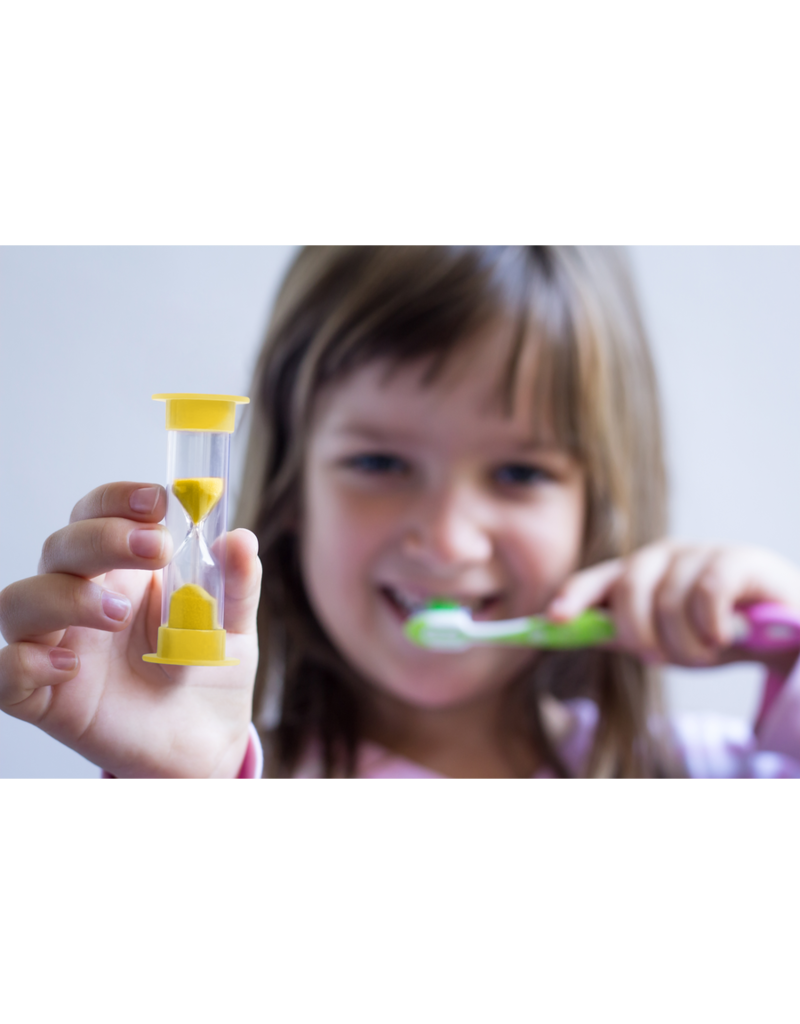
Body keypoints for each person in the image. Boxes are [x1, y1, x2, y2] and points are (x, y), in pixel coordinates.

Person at [1, 245, 799, 779]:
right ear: (290, 493)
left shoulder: (702, 765)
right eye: (379, 463)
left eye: (520, 471)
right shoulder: (215, 762)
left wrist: (791, 648)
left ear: (600, 508)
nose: (447, 541)